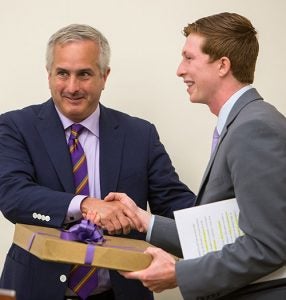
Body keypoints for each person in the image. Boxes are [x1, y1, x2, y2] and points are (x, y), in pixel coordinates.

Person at [0, 24, 196, 300]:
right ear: (49, 75)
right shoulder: (15, 126)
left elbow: (175, 206)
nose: (72, 87)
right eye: (62, 74)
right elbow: (12, 196)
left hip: (120, 292)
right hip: (33, 290)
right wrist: (85, 204)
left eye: (84, 74)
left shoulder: (140, 134)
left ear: (105, 76)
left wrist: (227, 221)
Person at [103, 12, 286, 300]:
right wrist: (144, 220)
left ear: (223, 65)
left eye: (189, 58)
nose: (179, 70)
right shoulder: (243, 122)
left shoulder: (254, 128)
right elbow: (224, 236)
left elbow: (269, 245)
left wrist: (179, 274)